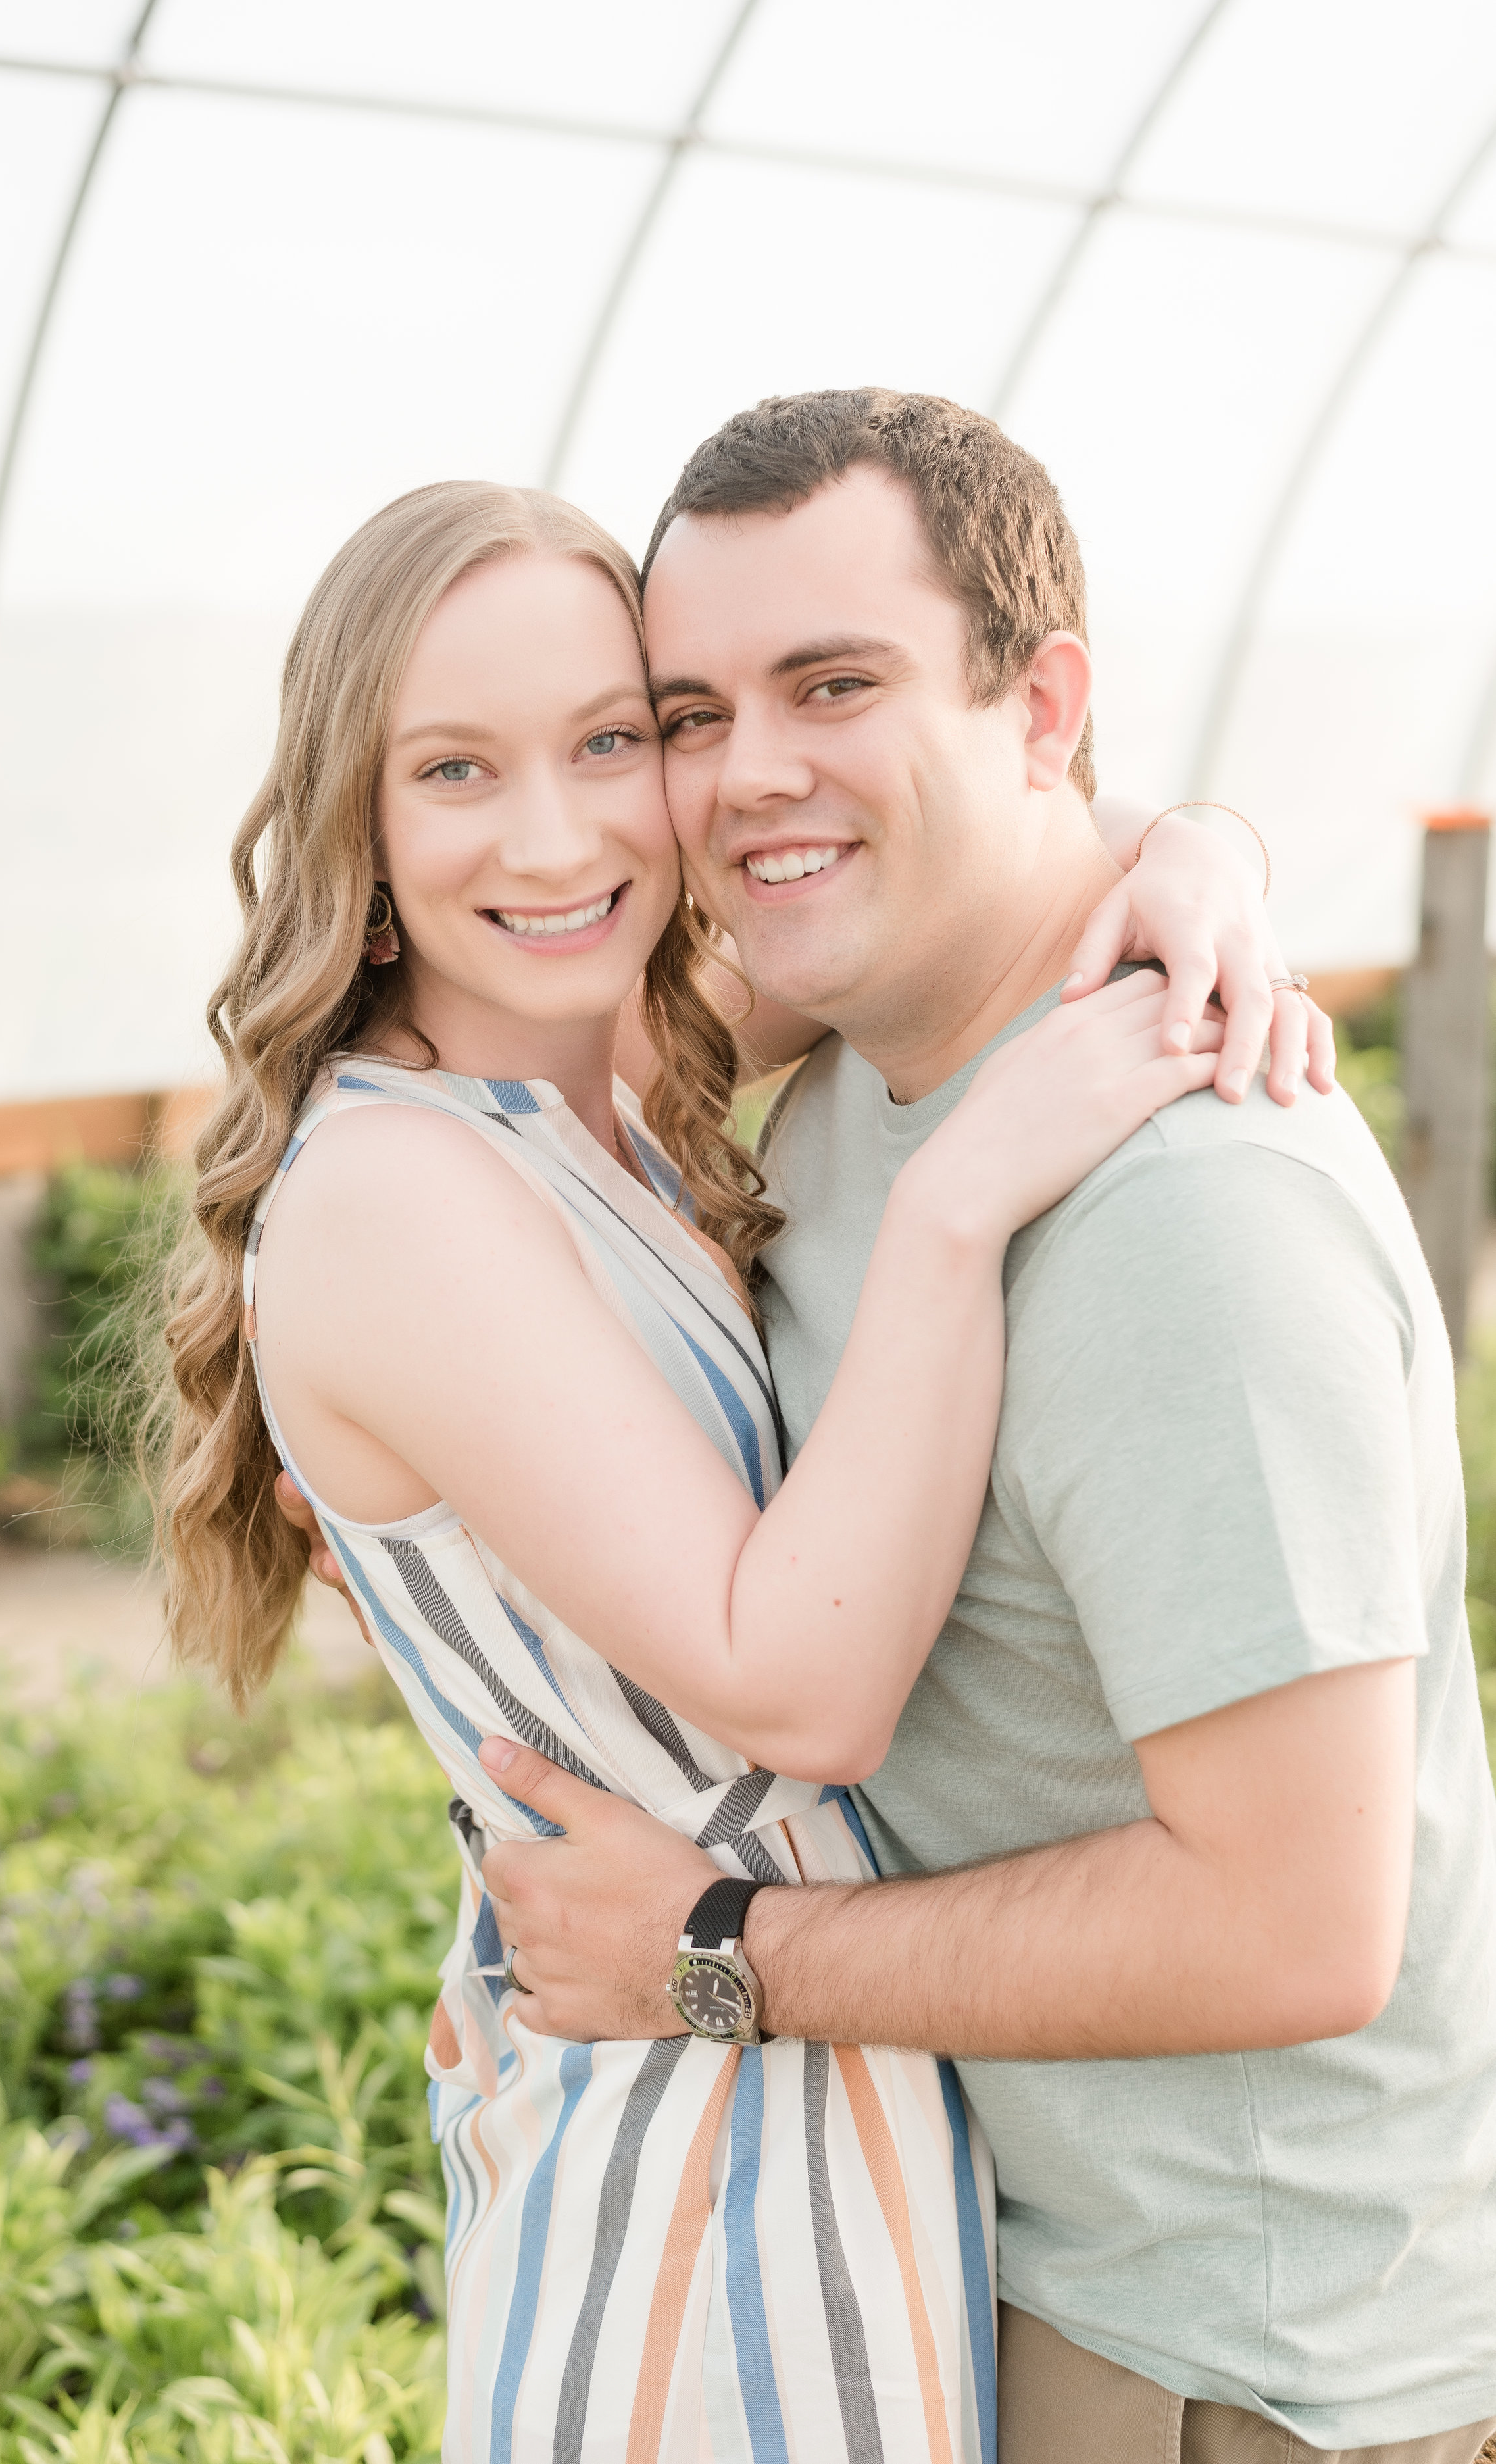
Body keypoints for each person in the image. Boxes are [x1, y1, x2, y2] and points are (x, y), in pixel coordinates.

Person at [160, 474, 1316, 2464]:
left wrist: (1204, 849)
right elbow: (801, 1684)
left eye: (613, 739)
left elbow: (1002, 855)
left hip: (822, 2064)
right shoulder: (395, 1187)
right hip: (690, 2135)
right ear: (355, 822)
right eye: (455, 769)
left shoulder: (620, 1057)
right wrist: (960, 1199)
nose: (556, 833)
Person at [468, 392, 1496, 2464]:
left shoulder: (1185, 1214)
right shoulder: (859, 1053)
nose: (747, 773)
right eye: (689, 711)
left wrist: (721, 1952)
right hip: (1000, 2267)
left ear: (1043, 710)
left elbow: (1296, 1917)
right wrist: (1193, 839)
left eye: (830, 684)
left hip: (1233, 2363)